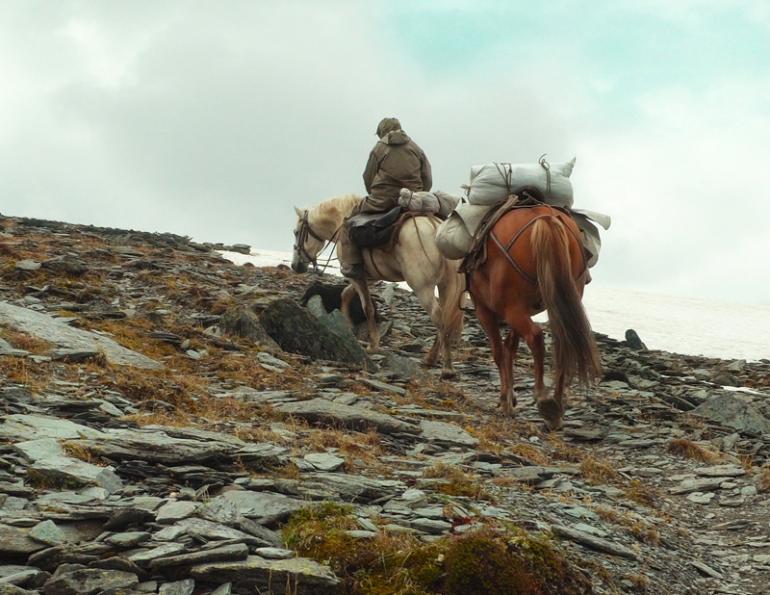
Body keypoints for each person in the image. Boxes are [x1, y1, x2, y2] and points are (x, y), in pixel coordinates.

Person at [337, 117, 432, 279]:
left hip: (382, 199)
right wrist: (418, 195)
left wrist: (373, 194)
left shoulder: (379, 148)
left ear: (382, 132)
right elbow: (427, 177)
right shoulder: (416, 148)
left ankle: (353, 265)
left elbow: (368, 176)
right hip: (412, 199)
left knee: (348, 223)